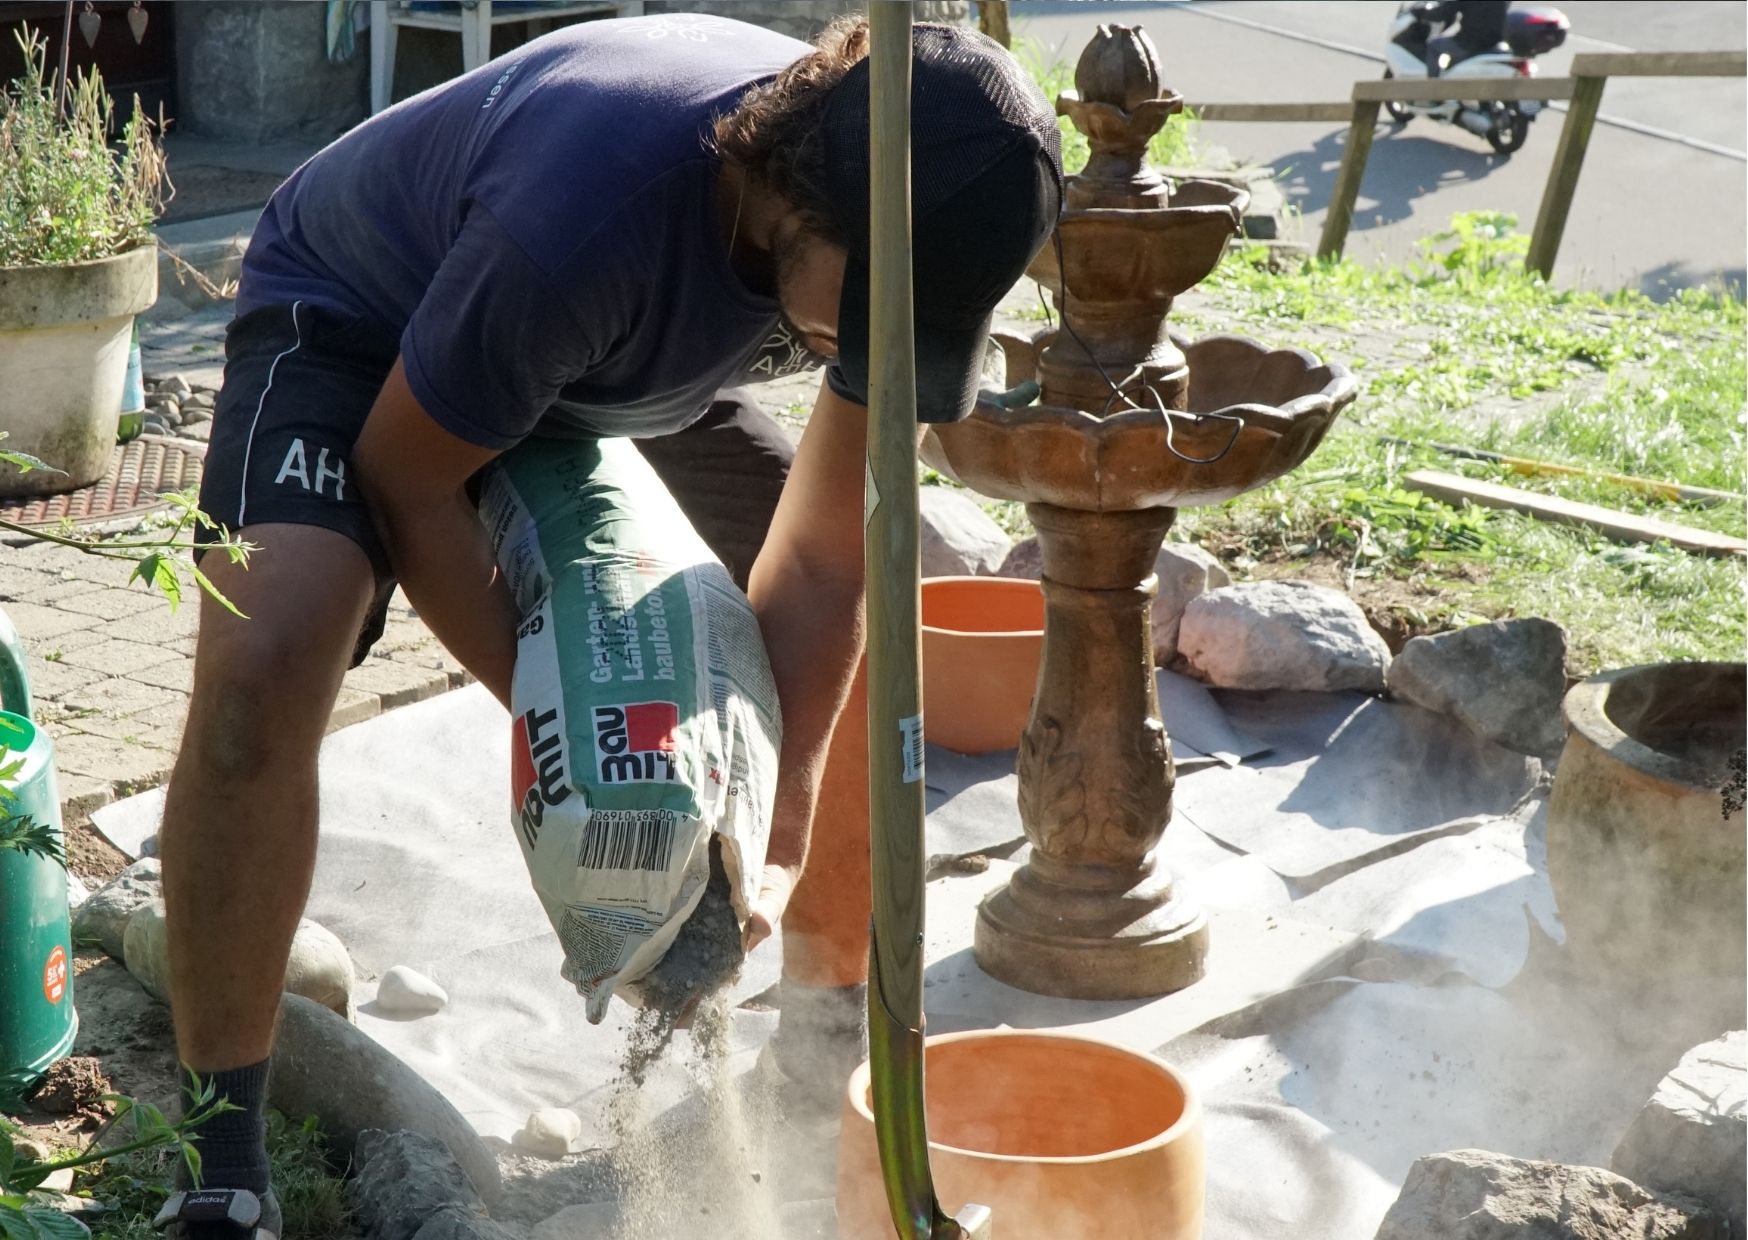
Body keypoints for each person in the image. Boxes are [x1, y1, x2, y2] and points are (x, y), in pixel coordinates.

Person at [151, 12, 1061, 1238]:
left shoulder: (877, 230)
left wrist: (768, 834)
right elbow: (409, 477)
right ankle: (220, 1157)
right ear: (795, 200)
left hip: (610, 369)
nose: (883, 354)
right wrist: (584, 743)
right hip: (368, 322)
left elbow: (827, 560)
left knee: (858, 657)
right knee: (269, 660)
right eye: (880, 318)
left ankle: (825, 1044)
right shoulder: (591, 212)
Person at [1421, 0, 1512, 75]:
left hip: (1468, 44)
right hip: (1492, 44)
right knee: (1451, 63)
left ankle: (1433, 88)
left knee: (1433, 45)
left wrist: (1420, 13)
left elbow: (1442, 14)